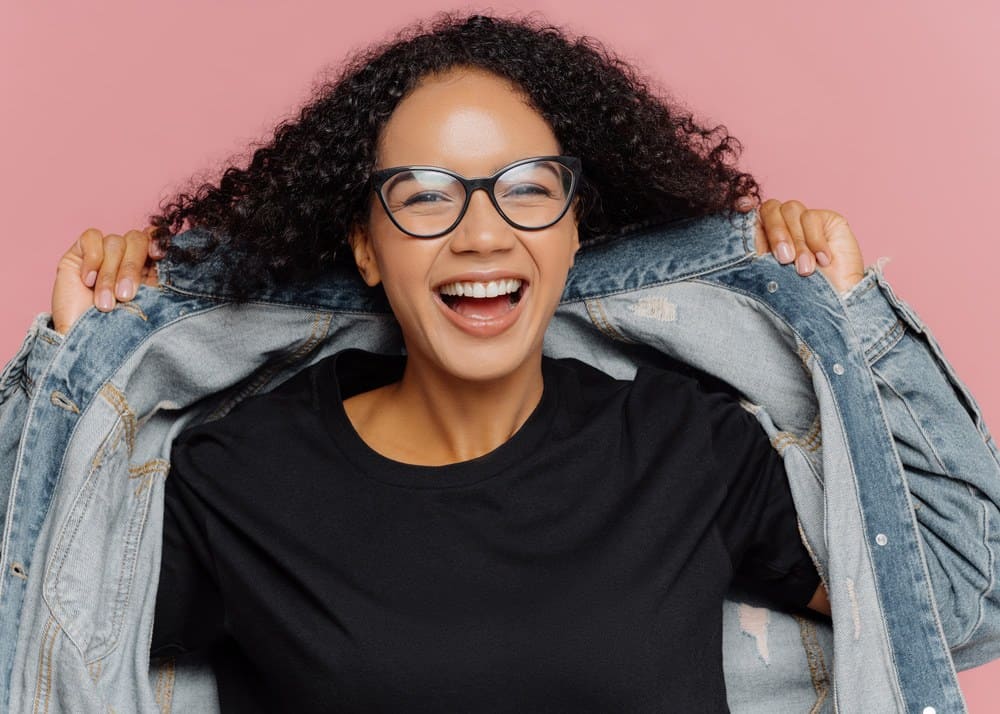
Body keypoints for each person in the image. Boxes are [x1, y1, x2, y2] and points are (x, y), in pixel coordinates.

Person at [3, 11, 997, 714]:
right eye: (426, 196)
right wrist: (72, 366)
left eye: (526, 189)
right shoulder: (238, 476)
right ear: (364, 244)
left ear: (573, 230)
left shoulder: (686, 448)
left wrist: (853, 316)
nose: (482, 234)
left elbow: (963, 600)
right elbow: (25, 632)